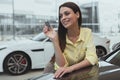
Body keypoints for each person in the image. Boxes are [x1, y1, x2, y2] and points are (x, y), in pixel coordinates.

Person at [43, 2, 98, 78]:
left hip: (75, 72)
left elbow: (92, 58)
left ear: (77, 14)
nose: (63, 18)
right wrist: (54, 41)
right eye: (61, 16)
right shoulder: (58, 36)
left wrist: (71, 68)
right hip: (54, 71)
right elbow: (62, 66)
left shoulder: (87, 32)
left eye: (67, 13)